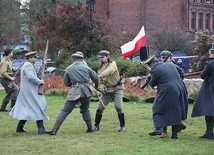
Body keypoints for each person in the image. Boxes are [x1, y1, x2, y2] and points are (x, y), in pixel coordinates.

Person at [49, 51, 99, 135]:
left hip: (75, 91)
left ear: (73, 59)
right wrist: (96, 86)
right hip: (87, 91)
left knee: (65, 111)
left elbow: (66, 82)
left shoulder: (69, 68)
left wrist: (74, 85)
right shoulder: (86, 68)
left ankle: (54, 130)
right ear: (82, 59)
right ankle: (90, 128)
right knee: (85, 109)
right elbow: (96, 78)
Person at [145, 55, 188, 139]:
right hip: (180, 87)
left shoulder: (155, 70)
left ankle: (159, 129)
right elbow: (181, 73)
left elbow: (152, 84)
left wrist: (149, 79)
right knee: (175, 110)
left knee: (157, 108)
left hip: (168, 89)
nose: (150, 68)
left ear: (152, 64)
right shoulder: (170, 64)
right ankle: (174, 134)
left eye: (150, 66)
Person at [10, 51, 49, 134]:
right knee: (39, 105)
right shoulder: (28, 65)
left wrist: (43, 65)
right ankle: (41, 128)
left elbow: (35, 74)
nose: (36, 58)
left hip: (28, 90)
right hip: (29, 90)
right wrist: (40, 82)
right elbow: (30, 76)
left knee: (27, 108)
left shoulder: (29, 65)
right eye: (34, 57)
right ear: (29, 58)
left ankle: (20, 128)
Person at [92, 50, 126, 132]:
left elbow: (109, 71)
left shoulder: (113, 64)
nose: (101, 59)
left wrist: (100, 76)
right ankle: (96, 126)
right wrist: (98, 85)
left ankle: (122, 126)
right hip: (107, 91)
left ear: (107, 57)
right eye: (100, 57)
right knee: (100, 108)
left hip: (117, 89)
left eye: (102, 57)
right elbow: (101, 82)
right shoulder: (100, 68)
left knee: (118, 107)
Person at [191, 44, 214, 140]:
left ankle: (209, 133)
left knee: (209, 110)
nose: (209, 54)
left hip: (211, 88)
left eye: (210, 53)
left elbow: (203, 75)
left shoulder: (211, 63)